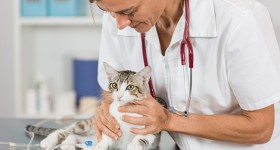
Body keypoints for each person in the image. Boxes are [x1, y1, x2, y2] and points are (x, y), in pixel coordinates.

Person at [90, 0, 280, 149]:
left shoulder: (239, 19)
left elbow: (261, 127)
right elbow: (108, 96)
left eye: (129, 11)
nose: (120, 24)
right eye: (108, 11)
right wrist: (106, 115)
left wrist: (169, 120)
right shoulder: (117, 19)